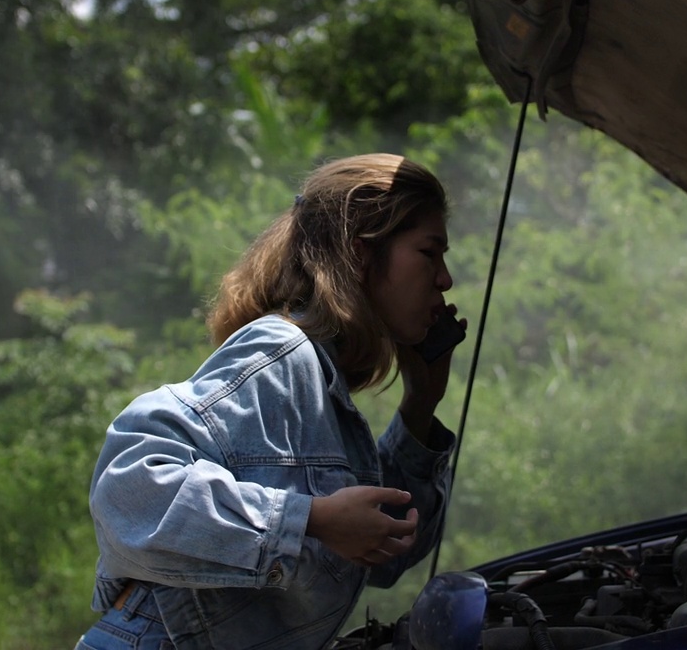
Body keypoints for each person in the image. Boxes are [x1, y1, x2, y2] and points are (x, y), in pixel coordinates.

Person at [75, 153, 463, 650]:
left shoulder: (323, 382)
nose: (445, 279)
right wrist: (313, 519)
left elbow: (381, 555)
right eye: (430, 252)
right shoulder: (283, 353)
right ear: (360, 254)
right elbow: (127, 486)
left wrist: (420, 407)